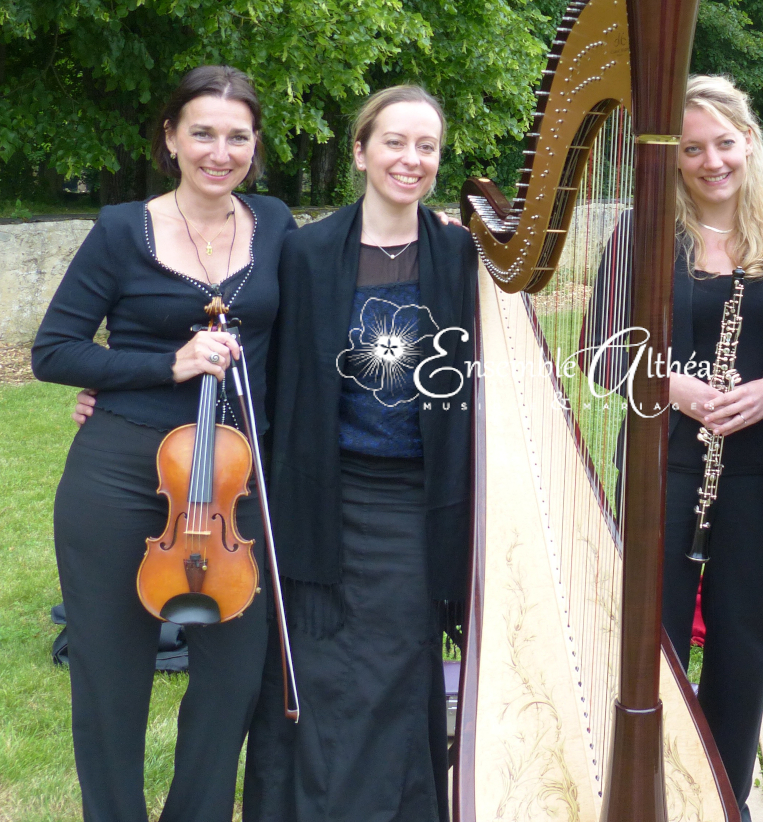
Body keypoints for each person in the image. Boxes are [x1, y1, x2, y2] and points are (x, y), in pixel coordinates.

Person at [31, 66, 296, 822]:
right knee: (111, 678)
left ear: (254, 145)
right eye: (203, 133)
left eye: (237, 136)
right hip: (120, 470)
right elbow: (55, 350)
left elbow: (310, 328)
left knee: (233, 679)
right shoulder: (122, 230)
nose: (221, 150)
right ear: (171, 139)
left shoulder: (275, 222)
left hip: (236, 478)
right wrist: (160, 366)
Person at [243, 85, 477, 822]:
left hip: (417, 503)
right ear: (360, 150)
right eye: (395, 142)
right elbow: (261, 362)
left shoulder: (462, 254)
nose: (411, 159)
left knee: (395, 676)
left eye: (426, 147)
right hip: (324, 496)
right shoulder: (306, 252)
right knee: (320, 674)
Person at [585, 75, 763, 819]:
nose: (711, 160)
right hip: (661, 468)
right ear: (673, 158)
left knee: (745, 644)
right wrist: (671, 385)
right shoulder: (644, 230)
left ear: (747, 140)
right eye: (692, 148)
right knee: (654, 647)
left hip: (751, 471)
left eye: (723, 142)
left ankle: (725, 800)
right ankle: (655, 793)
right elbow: (598, 352)